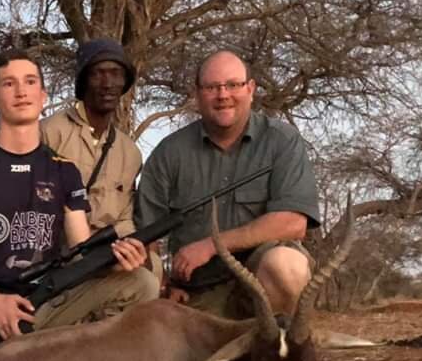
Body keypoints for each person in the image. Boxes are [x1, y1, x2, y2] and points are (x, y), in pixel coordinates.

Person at [0, 49, 154, 340]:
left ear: (43, 96)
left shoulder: (64, 170)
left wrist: (117, 261)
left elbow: (82, 246)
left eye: (30, 82)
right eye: (8, 83)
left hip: (42, 302)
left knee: (142, 282)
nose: (20, 92)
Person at [136, 50, 320, 319]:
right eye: (212, 87)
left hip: (260, 289)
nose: (223, 95)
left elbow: (293, 223)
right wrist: (164, 283)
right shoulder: (169, 152)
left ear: (251, 89)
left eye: (233, 85)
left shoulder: (282, 140)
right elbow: (145, 236)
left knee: (287, 265)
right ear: (197, 94)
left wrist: (211, 245)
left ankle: (280, 350)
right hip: (196, 293)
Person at [40, 38, 161, 294]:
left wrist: (128, 250)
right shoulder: (50, 133)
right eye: (98, 74)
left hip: (105, 255)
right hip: (54, 258)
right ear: (83, 81)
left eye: (116, 74)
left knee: (153, 269)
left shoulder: (130, 152)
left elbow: (126, 218)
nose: (108, 84)